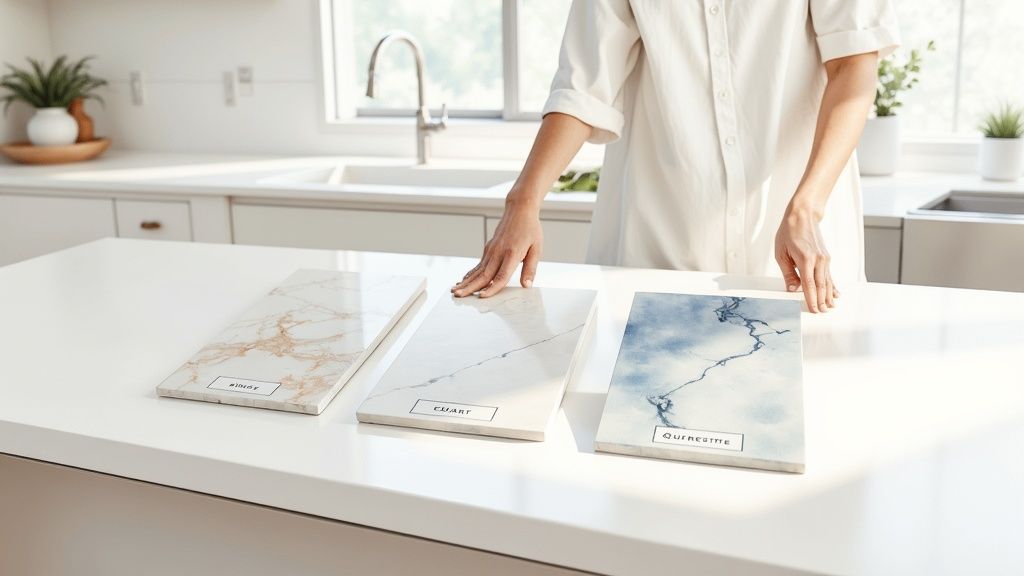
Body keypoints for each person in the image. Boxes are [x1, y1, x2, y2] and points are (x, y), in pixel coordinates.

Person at [452, 0, 899, 314]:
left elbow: (854, 66)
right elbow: (583, 87)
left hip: (797, 233)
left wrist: (807, 206)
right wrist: (524, 200)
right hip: (662, 237)